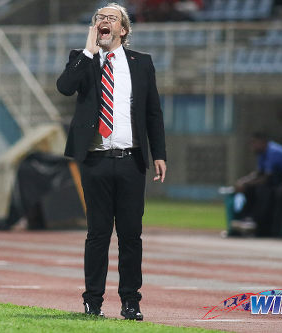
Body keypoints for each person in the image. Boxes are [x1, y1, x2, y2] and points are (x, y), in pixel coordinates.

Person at [56, 3, 167, 320]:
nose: (102, 22)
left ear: (123, 29)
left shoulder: (141, 63)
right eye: (98, 18)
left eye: (110, 18)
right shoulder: (82, 59)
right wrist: (89, 52)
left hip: (131, 160)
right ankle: (92, 302)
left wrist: (158, 153)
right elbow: (64, 88)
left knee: (131, 235)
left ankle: (131, 302)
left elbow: (153, 113)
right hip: (95, 160)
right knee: (98, 234)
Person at [232, 132, 282, 237]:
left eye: (254, 143)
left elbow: (267, 178)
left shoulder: (273, 152)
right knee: (250, 189)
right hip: (274, 182)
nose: (252, 147)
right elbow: (259, 173)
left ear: (262, 142)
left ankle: (259, 224)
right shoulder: (262, 153)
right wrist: (244, 181)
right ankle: (247, 218)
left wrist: (247, 184)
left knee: (263, 191)